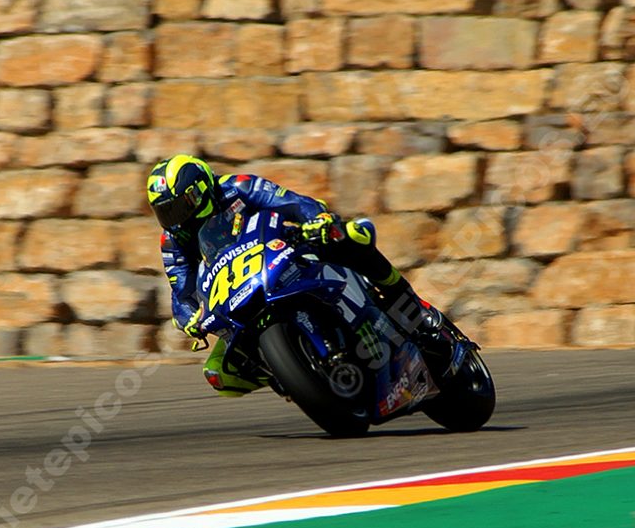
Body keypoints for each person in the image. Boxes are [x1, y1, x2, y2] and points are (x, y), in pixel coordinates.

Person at [146, 154, 437, 398]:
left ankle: (413, 308)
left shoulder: (238, 186)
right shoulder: (172, 240)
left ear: (200, 190)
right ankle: (293, 378)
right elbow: (181, 292)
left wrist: (315, 220)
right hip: (240, 289)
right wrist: (189, 320)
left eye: (180, 206)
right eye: (165, 212)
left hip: (285, 249)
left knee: (349, 236)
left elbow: (291, 201)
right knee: (219, 372)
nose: (175, 218)